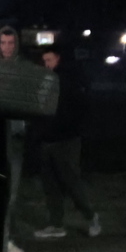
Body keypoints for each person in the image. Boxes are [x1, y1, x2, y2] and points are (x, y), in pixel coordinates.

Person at [29, 47, 100, 238]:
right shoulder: (45, 80)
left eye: (49, 60)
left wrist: (71, 128)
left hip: (65, 139)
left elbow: (76, 107)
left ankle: (91, 216)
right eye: (44, 60)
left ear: (58, 59)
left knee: (70, 181)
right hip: (47, 139)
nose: (46, 64)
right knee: (50, 185)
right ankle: (56, 223)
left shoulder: (66, 80)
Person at [0, 25, 27, 252]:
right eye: (3, 43)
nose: (7, 48)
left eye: (10, 43)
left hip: (15, 137)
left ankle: (6, 238)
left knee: (11, 193)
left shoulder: (22, 70)